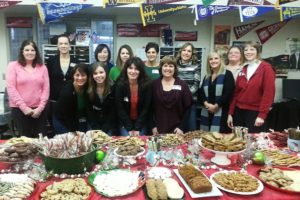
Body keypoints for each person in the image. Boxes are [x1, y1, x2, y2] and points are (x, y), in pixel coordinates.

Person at [227, 41, 276, 133]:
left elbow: (269, 93)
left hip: (255, 112)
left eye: (252, 49)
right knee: (238, 141)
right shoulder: (244, 68)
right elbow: (236, 93)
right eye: (246, 50)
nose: (248, 52)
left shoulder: (266, 68)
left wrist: (262, 115)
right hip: (239, 112)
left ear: (257, 51)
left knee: (253, 143)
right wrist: (230, 113)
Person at [6, 39, 49, 137]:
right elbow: (11, 89)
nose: (30, 52)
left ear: (36, 52)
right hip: (19, 110)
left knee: (41, 138)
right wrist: (25, 108)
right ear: (22, 51)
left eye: (32, 50)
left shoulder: (42, 67)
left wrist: (40, 108)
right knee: (25, 140)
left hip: (40, 110)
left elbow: (46, 89)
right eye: (27, 50)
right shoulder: (13, 66)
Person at [152, 56, 192, 134]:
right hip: (158, 130)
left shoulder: (182, 85)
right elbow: (149, 109)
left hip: (177, 130)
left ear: (175, 68)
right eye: (165, 66)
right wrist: (153, 126)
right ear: (161, 68)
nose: (168, 68)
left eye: (171, 66)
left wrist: (181, 127)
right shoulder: (154, 84)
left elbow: (188, 108)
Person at [46, 34, 78, 134]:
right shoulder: (51, 61)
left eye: (66, 43)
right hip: (55, 101)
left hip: (71, 101)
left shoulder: (75, 61)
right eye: (61, 43)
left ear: (70, 45)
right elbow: (47, 80)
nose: (63, 46)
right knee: (57, 129)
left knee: (71, 129)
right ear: (57, 46)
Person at [198, 50, 235, 133]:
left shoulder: (227, 74)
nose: (213, 61)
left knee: (220, 140)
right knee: (206, 138)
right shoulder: (206, 76)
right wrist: (206, 104)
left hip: (222, 112)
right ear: (208, 62)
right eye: (211, 59)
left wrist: (216, 105)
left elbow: (228, 93)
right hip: (207, 111)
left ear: (220, 60)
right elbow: (201, 93)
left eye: (216, 58)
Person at [115, 57, 152, 136]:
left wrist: (137, 127)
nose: (133, 71)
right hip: (125, 122)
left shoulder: (147, 85)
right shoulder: (120, 84)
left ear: (141, 71)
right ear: (126, 69)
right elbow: (120, 108)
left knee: (140, 142)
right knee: (127, 142)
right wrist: (129, 128)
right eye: (130, 68)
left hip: (141, 121)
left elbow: (146, 108)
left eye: (136, 69)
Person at [55, 64, 90, 133]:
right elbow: (68, 117)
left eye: (83, 75)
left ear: (87, 76)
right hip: (63, 120)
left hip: (80, 118)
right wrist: (75, 133)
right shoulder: (67, 92)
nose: (80, 78)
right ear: (73, 76)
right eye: (77, 75)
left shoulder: (88, 88)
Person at [176, 42, 201, 131]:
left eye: (189, 51)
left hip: (190, 103)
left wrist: (184, 96)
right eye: (184, 50)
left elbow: (196, 85)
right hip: (176, 103)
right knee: (177, 130)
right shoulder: (175, 65)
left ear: (192, 54)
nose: (186, 53)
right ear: (180, 51)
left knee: (191, 130)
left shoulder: (196, 66)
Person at [87, 62, 116, 135]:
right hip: (93, 123)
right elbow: (88, 110)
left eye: (101, 72)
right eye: (95, 73)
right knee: (93, 143)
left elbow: (114, 110)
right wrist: (96, 128)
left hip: (109, 123)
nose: (98, 75)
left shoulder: (113, 87)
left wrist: (105, 128)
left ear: (106, 72)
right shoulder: (88, 88)